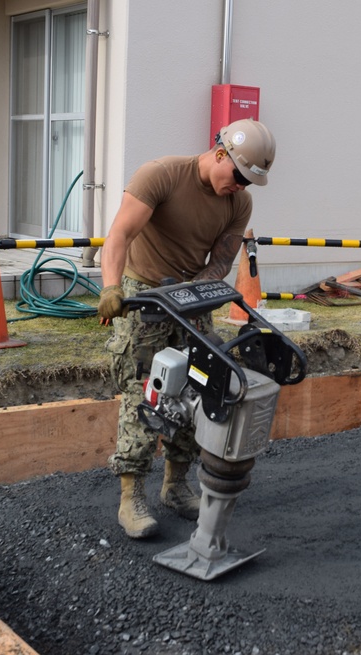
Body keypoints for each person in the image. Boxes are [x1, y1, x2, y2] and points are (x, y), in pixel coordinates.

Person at [97, 118, 276, 538]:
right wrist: (110, 286)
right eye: (238, 175)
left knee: (199, 388)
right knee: (147, 388)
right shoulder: (160, 175)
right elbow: (119, 235)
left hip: (194, 296)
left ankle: (175, 485)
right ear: (219, 154)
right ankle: (131, 496)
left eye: (250, 181)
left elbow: (220, 261)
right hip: (145, 293)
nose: (240, 186)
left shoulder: (239, 203)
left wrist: (195, 291)